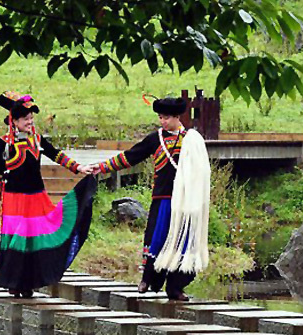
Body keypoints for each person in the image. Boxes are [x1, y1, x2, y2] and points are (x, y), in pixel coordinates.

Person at [87, 96, 211, 301]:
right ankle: (148, 279)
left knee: (182, 242)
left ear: (177, 117)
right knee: (156, 238)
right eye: (160, 118)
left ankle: (176, 287)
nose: (162, 122)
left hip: (186, 202)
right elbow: (130, 156)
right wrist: (102, 167)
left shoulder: (192, 139)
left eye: (166, 118)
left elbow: (201, 170)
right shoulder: (156, 139)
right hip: (163, 197)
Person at [0, 92, 97, 298]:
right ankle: (14, 282)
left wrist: (78, 168)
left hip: (37, 198)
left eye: (31, 119)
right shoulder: (3, 144)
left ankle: (28, 283)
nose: (30, 122)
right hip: (14, 200)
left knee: (35, 240)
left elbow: (56, 154)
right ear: (14, 121)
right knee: (17, 241)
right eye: (26, 119)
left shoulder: (37, 139)